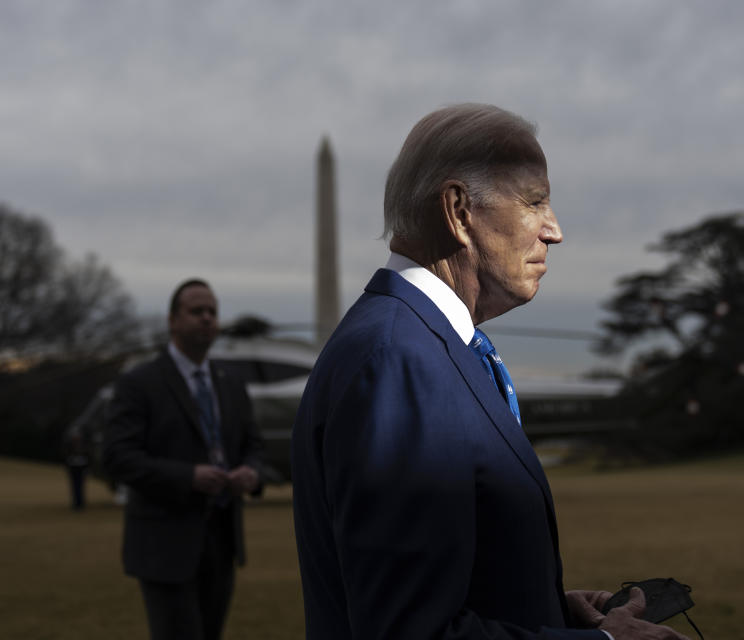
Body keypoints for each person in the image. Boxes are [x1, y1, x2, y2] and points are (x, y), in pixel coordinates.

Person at [291, 104, 688, 640]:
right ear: (458, 210)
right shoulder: (399, 361)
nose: (555, 231)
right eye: (535, 201)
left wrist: (543, 608)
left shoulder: (427, 345)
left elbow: (439, 581)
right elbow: (407, 630)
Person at [103, 279, 263, 640]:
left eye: (212, 312)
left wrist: (251, 473)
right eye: (196, 311)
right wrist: (187, 476)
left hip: (221, 541)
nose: (207, 318)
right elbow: (116, 457)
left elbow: (254, 446)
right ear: (172, 320)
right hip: (165, 545)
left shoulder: (231, 384)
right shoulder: (138, 383)